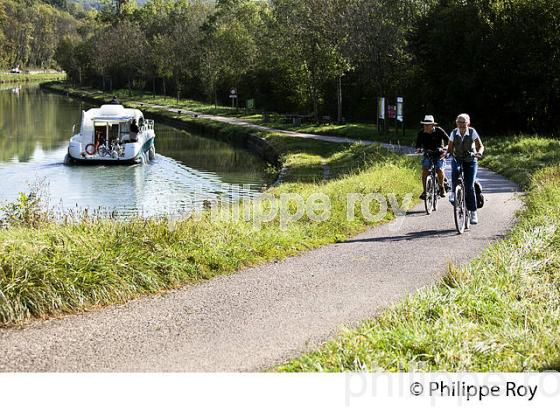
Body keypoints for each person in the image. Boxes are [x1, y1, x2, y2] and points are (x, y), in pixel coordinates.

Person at [447, 113, 484, 224]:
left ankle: (473, 212)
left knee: (469, 186)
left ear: (468, 123)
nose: (462, 125)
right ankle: (453, 192)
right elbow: (450, 147)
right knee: (455, 171)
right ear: (456, 123)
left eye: (464, 122)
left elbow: (480, 146)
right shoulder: (454, 133)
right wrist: (447, 153)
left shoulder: (472, 132)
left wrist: (479, 153)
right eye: (459, 122)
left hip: (471, 160)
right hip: (457, 158)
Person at [415, 115, 449, 199]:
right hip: (428, 154)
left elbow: (449, 141)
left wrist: (446, 148)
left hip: (439, 154)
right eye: (424, 124)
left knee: (439, 169)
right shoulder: (421, 133)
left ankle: (441, 187)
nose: (426, 126)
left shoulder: (439, 131)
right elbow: (418, 145)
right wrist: (419, 149)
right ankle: (425, 191)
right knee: (425, 170)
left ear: (433, 125)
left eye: (428, 124)